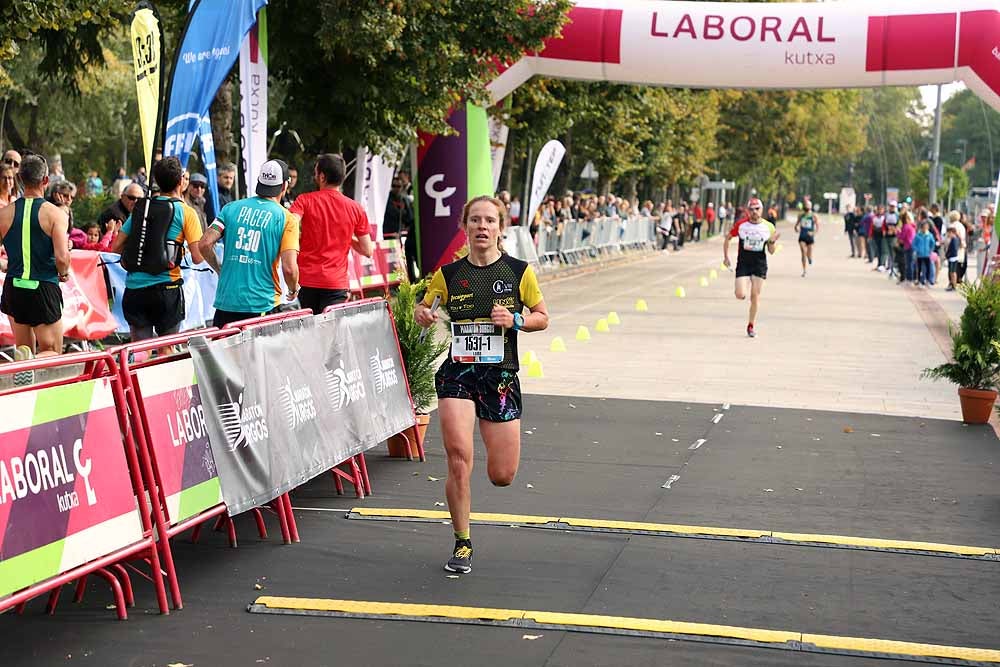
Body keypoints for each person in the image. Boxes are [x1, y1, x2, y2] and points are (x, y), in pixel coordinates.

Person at [414, 195, 549, 574]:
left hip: (500, 377)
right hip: (458, 372)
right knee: (459, 457)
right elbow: (425, 307)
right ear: (465, 226)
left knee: (501, 475)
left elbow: (542, 317)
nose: (482, 227)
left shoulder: (519, 272)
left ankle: (473, 517)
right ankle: (462, 542)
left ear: (500, 227)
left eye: (490, 220)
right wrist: (423, 313)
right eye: (475, 220)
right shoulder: (449, 275)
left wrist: (517, 321)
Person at [111, 157, 205, 343]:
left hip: (135, 289)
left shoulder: (141, 208)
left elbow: (116, 247)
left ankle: (134, 371)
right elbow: (197, 257)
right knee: (166, 350)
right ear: (181, 182)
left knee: (140, 350)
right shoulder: (186, 212)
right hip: (167, 289)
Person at [198, 159, 300, 327]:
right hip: (261, 305)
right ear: (284, 186)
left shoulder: (231, 208)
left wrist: (219, 268)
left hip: (226, 302)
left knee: (224, 353)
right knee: (256, 354)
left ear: (259, 183)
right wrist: (293, 288)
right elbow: (289, 268)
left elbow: (204, 244)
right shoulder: (287, 219)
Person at [0, 154, 71, 374]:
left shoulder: (4, 213)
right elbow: (62, 258)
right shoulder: (56, 214)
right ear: (46, 181)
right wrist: (64, 273)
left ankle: (25, 370)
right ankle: (32, 361)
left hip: (14, 286)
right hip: (43, 286)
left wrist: (4, 265)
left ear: (19, 179)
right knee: (52, 350)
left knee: (22, 349)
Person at [289, 153, 373, 312]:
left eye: (315, 172)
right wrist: (347, 237)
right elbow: (367, 250)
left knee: (309, 333)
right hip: (336, 283)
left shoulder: (304, 200)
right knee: (332, 334)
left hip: (307, 280)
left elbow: (291, 224)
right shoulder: (355, 208)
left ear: (321, 176)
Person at [723, 197, 778, 338]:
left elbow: (771, 251)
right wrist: (726, 257)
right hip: (743, 263)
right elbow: (728, 238)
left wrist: (771, 242)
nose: (754, 212)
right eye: (752, 209)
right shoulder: (741, 225)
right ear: (748, 211)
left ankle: (751, 325)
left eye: (757, 209)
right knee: (740, 294)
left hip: (759, 264)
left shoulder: (769, 227)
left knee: (755, 296)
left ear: (762, 210)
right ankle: (743, 287)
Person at [795, 207, 819, 277]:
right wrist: (796, 229)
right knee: (803, 253)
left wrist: (813, 233)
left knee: (809, 254)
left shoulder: (814, 216)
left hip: (810, 237)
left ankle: (810, 258)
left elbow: (817, 228)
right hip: (802, 236)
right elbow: (796, 225)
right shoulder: (801, 215)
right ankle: (804, 270)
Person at [913, 220, 935, 287]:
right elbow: (914, 244)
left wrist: (931, 250)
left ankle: (928, 281)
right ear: (921, 227)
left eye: (926, 227)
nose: (925, 228)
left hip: (927, 254)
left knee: (928, 268)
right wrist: (917, 250)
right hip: (919, 255)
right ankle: (920, 281)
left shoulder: (930, 235)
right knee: (919, 268)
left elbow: (932, 243)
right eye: (924, 227)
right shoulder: (918, 235)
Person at [944, 224, 961, 291]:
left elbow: (953, 250)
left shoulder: (954, 240)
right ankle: (953, 284)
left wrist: (947, 256)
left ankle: (953, 285)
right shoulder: (956, 239)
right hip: (954, 257)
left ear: (951, 232)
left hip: (952, 258)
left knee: (952, 272)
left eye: (948, 233)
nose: (948, 235)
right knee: (953, 272)